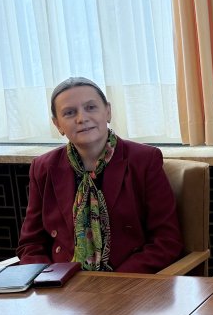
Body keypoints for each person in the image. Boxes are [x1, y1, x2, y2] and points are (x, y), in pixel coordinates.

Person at [17, 77, 183, 272]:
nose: (82, 118)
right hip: (63, 282)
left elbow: (166, 240)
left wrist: (114, 283)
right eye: (69, 113)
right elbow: (31, 243)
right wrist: (48, 279)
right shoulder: (43, 167)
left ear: (108, 111)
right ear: (58, 124)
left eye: (91, 107)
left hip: (126, 280)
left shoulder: (144, 160)